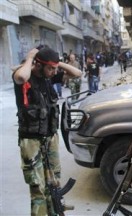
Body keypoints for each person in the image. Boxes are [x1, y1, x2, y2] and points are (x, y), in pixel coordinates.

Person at [12, 46, 82, 215]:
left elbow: (77, 73)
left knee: (54, 184)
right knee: (38, 187)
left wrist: (57, 63)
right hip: (31, 141)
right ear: (37, 65)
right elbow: (21, 76)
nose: (53, 71)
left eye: (55, 68)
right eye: (50, 68)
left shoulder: (48, 76)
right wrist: (30, 57)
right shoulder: (24, 75)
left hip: (50, 138)